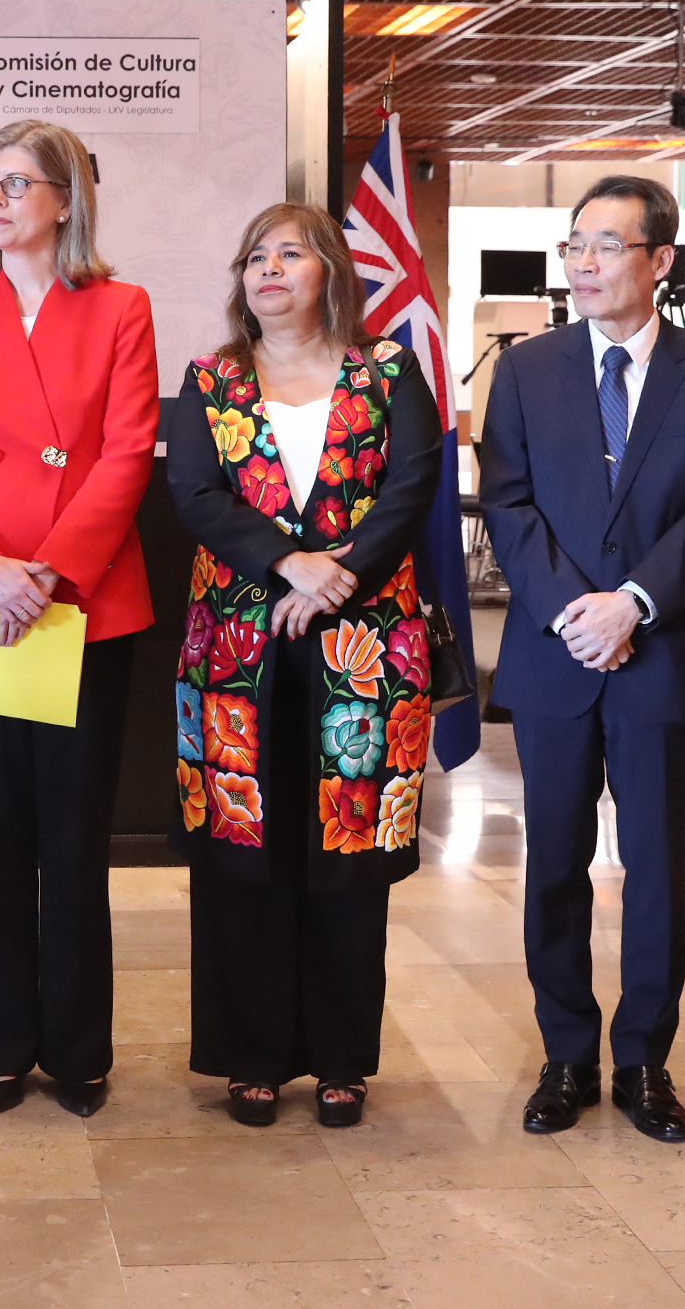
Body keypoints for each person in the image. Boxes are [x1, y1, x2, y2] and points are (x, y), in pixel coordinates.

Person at [477, 174, 685, 1145]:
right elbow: (507, 504)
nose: (584, 263)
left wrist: (632, 603)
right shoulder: (525, 370)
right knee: (553, 861)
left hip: (660, 654)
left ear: (659, 260)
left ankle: (643, 1061)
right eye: (574, 245)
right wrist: (574, 611)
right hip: (554, 656)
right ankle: (565, 1055)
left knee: (654, 865)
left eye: (606, 244)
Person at [0, 119, 158, 1119]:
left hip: (81, 603)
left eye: (17, 182)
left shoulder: (120, 306)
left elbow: (127, 452)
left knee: (76, 837)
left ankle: (80, 1050)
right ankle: (0, 1044)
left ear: (65, 198)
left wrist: (49, 570)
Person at [167, 203, 439, 1129]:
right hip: (235, 649)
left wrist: (336, 578)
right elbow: (196, 493)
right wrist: (289, 564)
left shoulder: (389, 370)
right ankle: (250, 1055)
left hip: (363, 647)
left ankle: (340, 1059)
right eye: (256, 256)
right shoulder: (212, 379)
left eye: (290, 253)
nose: (269, 269)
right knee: (245, 848)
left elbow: (411, 486)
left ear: (331, 271)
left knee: (345, 849)